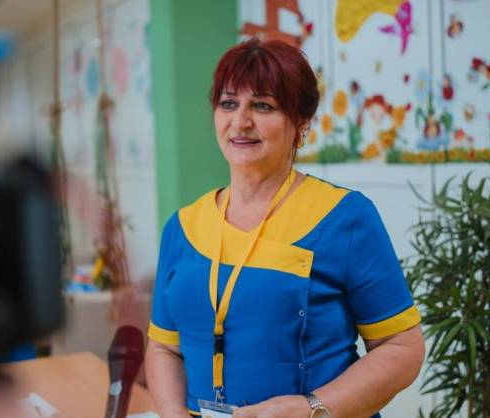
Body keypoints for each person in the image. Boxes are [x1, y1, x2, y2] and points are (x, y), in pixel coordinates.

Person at [145, 38, 424, 418]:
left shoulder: (345, 217)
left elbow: (402, 347)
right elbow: (164, 347)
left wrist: (313, 408)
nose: (240, 121)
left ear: (301, 121)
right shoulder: (182, 228)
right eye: (229, 103)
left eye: (263, 105)